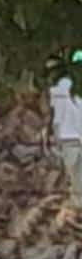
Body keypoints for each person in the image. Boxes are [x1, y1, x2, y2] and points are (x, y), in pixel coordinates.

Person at [49, 52, 82, 207]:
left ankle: (76, 201)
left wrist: (56, 136)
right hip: (75, 135)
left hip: (67, 136)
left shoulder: (57, 87)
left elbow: (57, 115)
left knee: (73, 172)